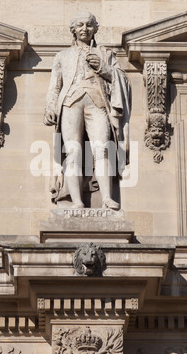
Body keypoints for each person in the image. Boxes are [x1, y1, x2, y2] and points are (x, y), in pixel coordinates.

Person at [44, 11, 131, 209]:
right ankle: (76, 202)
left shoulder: (106, 54)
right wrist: (50, 107)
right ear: (73, 30)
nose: (85, 29)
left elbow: (122, 79)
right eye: (80, 25)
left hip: (97, 102)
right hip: (70, 103)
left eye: (89, 25)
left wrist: (103, 68)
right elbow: (55, 87)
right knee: (73, 152)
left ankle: (107, 198)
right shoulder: (62, 56)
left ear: (95, 29)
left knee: (102, 150)